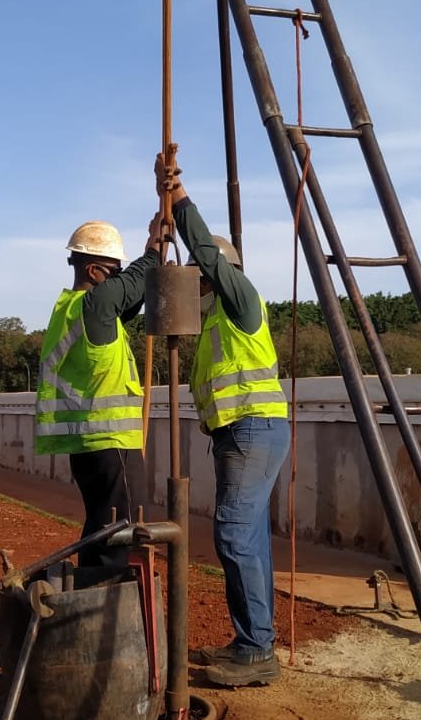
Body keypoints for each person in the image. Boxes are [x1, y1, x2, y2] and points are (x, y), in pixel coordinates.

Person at [157, 153, 290, 686]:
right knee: (248, 537)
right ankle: (251, 642)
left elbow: (208, 257)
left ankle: (258, 649)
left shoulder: (240, 298)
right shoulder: (215, 317)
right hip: (238, 436)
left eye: (204, 273)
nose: (200, 281)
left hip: (253, 430)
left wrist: (180, 200)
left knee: (233, 535)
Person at [35, 217, 163, 568]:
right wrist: (153, 249)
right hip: (109, 441)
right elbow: (133, 284)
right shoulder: (95, 305)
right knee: (118, 533)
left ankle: (85, 593)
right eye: (113, 270)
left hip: (87, 445)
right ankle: (104, 603)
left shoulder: (71, 310)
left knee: (100, 526)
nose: (118, 277)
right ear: (93, 271)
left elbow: (129, 298)